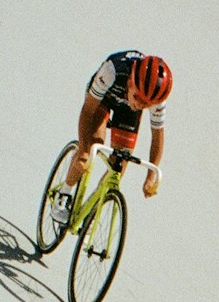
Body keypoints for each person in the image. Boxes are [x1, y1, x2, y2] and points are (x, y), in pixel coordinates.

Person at [50, 52, 173, 224]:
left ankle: (90, 215)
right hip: (103, 99)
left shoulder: (156, 98)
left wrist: (150, 176)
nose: (140, 104)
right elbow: (87, 111)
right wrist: (84, 152)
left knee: (118, 166)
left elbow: (157, 136)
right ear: (130, 82)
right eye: (137, 97)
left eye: (146, 104)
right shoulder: (112, 71)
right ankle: (64, 194)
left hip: (127, 112)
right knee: (94, 145)